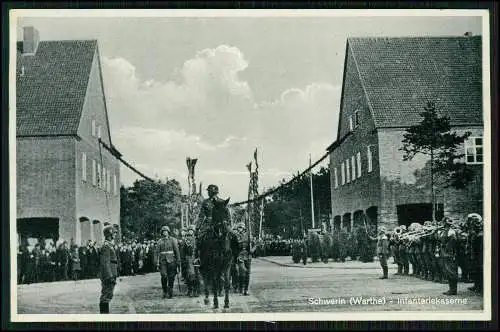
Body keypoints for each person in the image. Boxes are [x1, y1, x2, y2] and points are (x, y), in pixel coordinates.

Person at [155, 225, 180, 299]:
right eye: (163, 231)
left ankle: (170, 291)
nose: (165, 233)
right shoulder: (159, 241)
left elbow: (177, 251)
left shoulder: (173, 240)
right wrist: (156, 262)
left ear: (168, 232)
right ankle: (164, 291)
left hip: (172, 261)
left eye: (166, 231)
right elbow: (156, 252)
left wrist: (178, 261)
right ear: (162, 233)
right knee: (164, 276)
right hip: (163, 261)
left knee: (171, 277)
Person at [99, 225, 119, 314]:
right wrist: (109, 276)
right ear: (109, 234)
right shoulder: (106, 246)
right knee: (106, 296)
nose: (115, 235)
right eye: (114, 233)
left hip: (111, 274)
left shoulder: (110, 246)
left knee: (108, 295)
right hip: (108, 275)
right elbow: (105, 263)